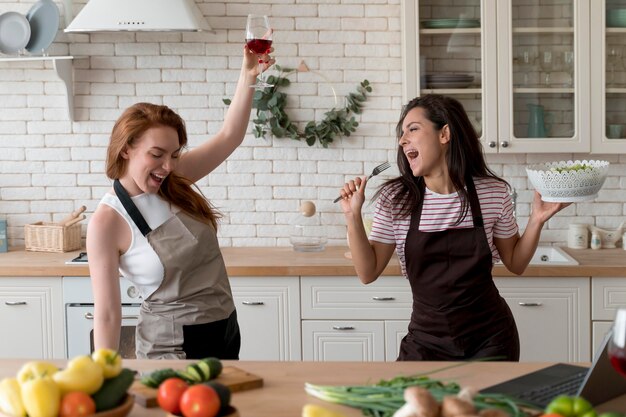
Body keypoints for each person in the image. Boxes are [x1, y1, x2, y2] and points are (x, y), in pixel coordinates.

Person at [337, 94, 570, 361]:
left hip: (491, 339)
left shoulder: (492, 192)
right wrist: (352, 215)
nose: (402, 140)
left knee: (486, 405)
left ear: (444, 134)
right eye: (402, 134)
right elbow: (368, 273)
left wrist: (537, 220)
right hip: (426, 341)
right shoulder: (397, 199)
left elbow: (516, 263)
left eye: (412, 129)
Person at [86, 45, 275, 360]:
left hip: (224, 330)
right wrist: (102, 375)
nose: (168, 166)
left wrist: (249, 75)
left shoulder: (173, 180)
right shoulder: (107, 221)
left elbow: (230, 135)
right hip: (171, 346)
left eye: (174, 155)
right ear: (126, 150)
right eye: (156, 155)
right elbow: (106, 314)